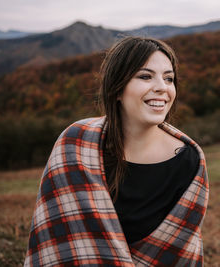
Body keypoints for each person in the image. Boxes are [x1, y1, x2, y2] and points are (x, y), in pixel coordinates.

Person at [24, 36, 209, 267]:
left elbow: (180, 250)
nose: (162, 87)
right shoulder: (75, 144)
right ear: (117, 89)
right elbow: (56, 239)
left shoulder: (187, 159)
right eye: (145, 76)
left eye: (169, 78)